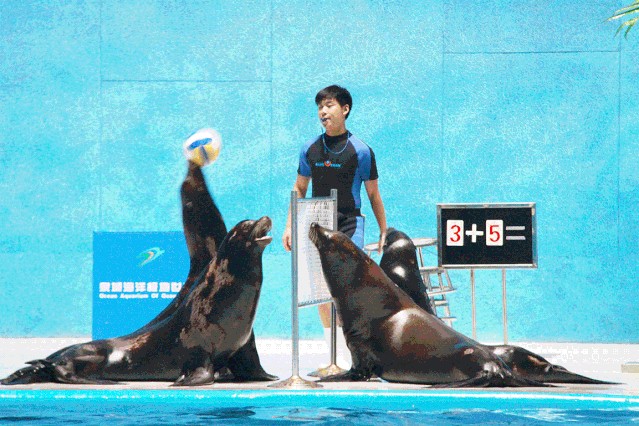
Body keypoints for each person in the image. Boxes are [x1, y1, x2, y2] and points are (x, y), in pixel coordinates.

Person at [282, 85, 388, 367]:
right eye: (320, 107)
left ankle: (357, 352)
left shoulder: (361, 151)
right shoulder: (310, 149)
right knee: (321, 290)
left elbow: (373, 194)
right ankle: (334, 357)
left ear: (345, 109)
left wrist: (384, 230)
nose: (323, 112)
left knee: (347, 289)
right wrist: (290, 225)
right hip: (318, 226)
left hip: (349, 225)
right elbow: (299, 187)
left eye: (329, 105)